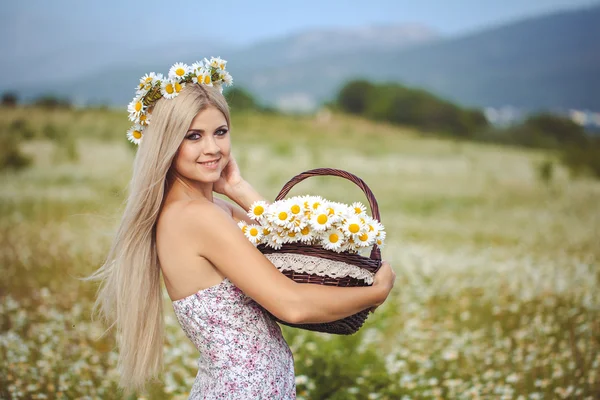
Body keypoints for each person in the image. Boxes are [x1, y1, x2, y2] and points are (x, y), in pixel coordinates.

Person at [86, 58, 396, 399]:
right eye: (193, 136)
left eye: (220, 132)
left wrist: (238, 188)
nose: (212, 148)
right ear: (167, 144)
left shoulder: (214, 208)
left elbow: (290, 249)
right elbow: (291, 303)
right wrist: (375, 293)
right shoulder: (194, 217)